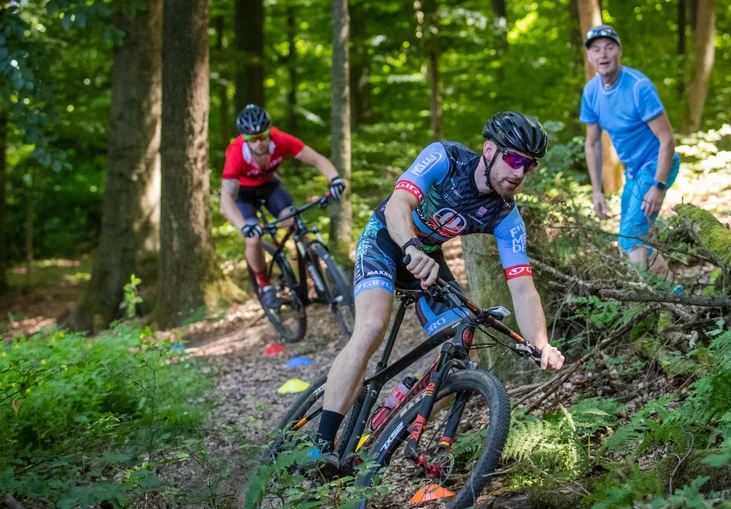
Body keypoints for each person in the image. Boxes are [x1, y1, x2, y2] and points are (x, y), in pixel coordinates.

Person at [307, 111, 566, 474]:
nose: (520, 172)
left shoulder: (506, 215)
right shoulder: (446, 158)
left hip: (426, 257)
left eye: (529, 165)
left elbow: (523, 288)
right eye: (513, 159)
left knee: (462, 353)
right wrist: (410, 247)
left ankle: (395, 414)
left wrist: (541, 343)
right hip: (386, 240)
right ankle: (318, 447)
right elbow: (398, 204)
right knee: (371, 328)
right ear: (489, 150)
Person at [221, 105, 346, 310]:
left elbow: (317, 159)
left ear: (269, 132)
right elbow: (226, 198)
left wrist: (335, 179)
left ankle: (317, 278)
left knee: (295, 224)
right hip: (243, 194)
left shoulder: (281, 140)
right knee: (253, 239)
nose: (259, 142)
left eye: (263, 136)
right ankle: (265, 286)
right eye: (252, 139)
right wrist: (243, 226)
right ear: (244, 138)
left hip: (269, 186)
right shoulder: (236, 153)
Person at [580, 25, 680, 279]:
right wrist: (597, 190)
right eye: (596, 49)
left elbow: (667, 139)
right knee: (637, 238)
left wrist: (658, 186)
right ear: (589, 56)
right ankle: (675, 293)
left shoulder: (638, 87)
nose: (603, 54)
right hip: (634, 172)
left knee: (630, 238)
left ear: (620, 51)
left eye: (609, 48)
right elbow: (592, 144)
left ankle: (645, 295)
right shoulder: (591, 91)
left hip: (657, 165)